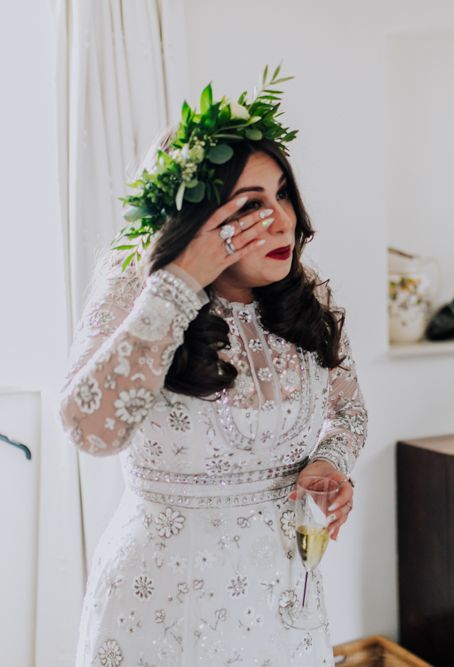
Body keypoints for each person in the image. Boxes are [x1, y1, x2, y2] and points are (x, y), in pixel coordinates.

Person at [60, 70, 367, 666]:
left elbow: (348, 412)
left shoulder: (306, 305)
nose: (282, 220)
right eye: (251, 206)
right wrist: (178, 283)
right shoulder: (134, 294)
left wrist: (332, 463)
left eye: (283, 195)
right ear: (196, 216)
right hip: (162, 604)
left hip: (282, 598)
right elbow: (89, 429)